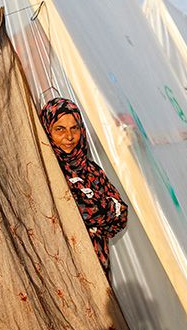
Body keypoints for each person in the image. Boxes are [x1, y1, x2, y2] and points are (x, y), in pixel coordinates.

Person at [40, 98, 128, 276]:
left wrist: (92, 209)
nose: (69, 137)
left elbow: (121, 214)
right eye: (60, 129)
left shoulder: (91, 170)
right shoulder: (46, 172)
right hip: (62, 268)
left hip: (98, 266)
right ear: (47, 130)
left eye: (74, 128)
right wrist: (102, 207)